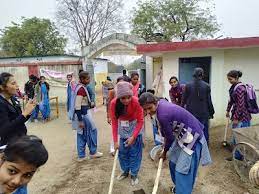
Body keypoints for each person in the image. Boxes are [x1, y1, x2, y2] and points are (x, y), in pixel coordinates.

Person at [139, 92, 212, 194]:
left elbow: (170, 138)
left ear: (155, 102)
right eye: (145, 109)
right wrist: (165, 148)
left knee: (182, 170)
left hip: (192, 137)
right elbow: (166, 133)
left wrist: (164, 152)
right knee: (173, 161)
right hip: (181, 134)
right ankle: (178, 188)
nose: (147, 112)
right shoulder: (161, 102)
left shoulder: (162, 114)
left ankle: (183, 191)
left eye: (149, 108)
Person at [110, 81, 144, 186]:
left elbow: (140, 121)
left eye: (128, 97)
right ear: (119, 97)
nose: (126, 100)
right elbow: (114, 123)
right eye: (123, 98)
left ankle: (134, 174)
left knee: (135, 152)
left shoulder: (136, 102)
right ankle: (125, 171)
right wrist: (115, 141)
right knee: (122, 152)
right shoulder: (114, 104)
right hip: (122, 126)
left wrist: (133, 137)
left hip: (134, 126)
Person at [69, 71, 103, 162]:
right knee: (92, 131)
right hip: (84, 115)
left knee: (81, 134)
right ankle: (93, 152)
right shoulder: (81, 89)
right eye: (87, 78)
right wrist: (80, 120)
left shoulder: (80, 87)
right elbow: (77, 106)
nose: (89, 80)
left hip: (82, 114)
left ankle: (81, 155)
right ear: (82, 79)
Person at [0, 72, 36, 146]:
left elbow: (20, 120)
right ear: (2, 87)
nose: (17, 86)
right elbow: (4, 130)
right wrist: (24, 114)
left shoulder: (13, 98)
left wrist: (28, 112)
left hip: (21, 138)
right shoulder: (1, 104)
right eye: (13, 83)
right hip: (10, 145)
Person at [182, 68, 215, 145]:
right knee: (204, 130)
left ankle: (192, 145)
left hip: (191, 113)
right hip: (204, 113)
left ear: (193, 75)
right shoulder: (206, 86)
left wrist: (182, 110)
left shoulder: (188, 86)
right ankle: (204, 146)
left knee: (192, 129)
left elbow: (183, 100)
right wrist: (212, 112)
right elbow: (209, 101)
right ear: (202, 75)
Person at [225, 70, 252, 161]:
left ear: (236, 78)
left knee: (240, 138)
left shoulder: (240, 89)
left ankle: (239, 156)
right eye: (228, 79)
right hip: (237, 115)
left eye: (230, 79)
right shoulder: (233, 87)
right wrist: (228, 110)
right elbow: (231, 101)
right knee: (235, 136)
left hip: (243, 117)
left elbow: (241, 105)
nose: (229, 81)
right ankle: (236, 154)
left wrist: (236, 118)